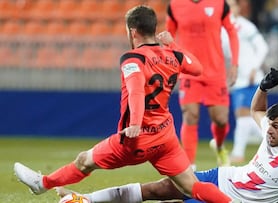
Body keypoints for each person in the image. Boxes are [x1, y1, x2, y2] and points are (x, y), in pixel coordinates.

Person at [13, 5, 233, 203]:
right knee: (191, 186)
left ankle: (42, 184)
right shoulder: (172, 55)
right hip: (166, 136)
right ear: (153, 29)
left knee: (84, 161)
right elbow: (197, 68)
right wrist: (173, 44)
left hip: (137, 139)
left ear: (133, 31)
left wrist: (136, 122)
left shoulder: (132, 58)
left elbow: (136, 88)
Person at [56, 68, 278, 203]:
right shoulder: (270, 131)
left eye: (276, 126)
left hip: (234, 200)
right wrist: (263, 87)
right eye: (270, 124)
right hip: (224, 179)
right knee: (159, 189)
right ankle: (83, 200)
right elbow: (258, 112)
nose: (269, 129)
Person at [166, 0, 240, 168]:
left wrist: (234, 64)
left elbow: (232, 32)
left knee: (221, 119)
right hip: (188, 71)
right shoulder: (175, 5)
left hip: (215, 72)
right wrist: (172, 67)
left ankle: (220, 147)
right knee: (190, 116)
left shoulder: (220, 4)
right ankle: (189, 166)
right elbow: (168, 37)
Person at [221, 0, 269, 164]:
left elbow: (262, 46)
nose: (230, 8)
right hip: (236, 79)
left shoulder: (245, 26)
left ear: (238, 7)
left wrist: (255, 67)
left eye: (232, 5)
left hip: (250, 77)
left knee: (244, 115)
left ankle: (238, 153)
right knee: (252, 119)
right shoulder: (220, 28)